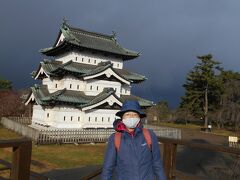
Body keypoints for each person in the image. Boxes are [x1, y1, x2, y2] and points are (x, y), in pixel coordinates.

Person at [101, 100, 166, 180]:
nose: (131, 117)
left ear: (139, 117)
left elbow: (157, 164)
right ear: (122, 118)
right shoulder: (115, 138)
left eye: (135, 114)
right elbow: (108, 168)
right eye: (127, 114)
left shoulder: (149, 135)